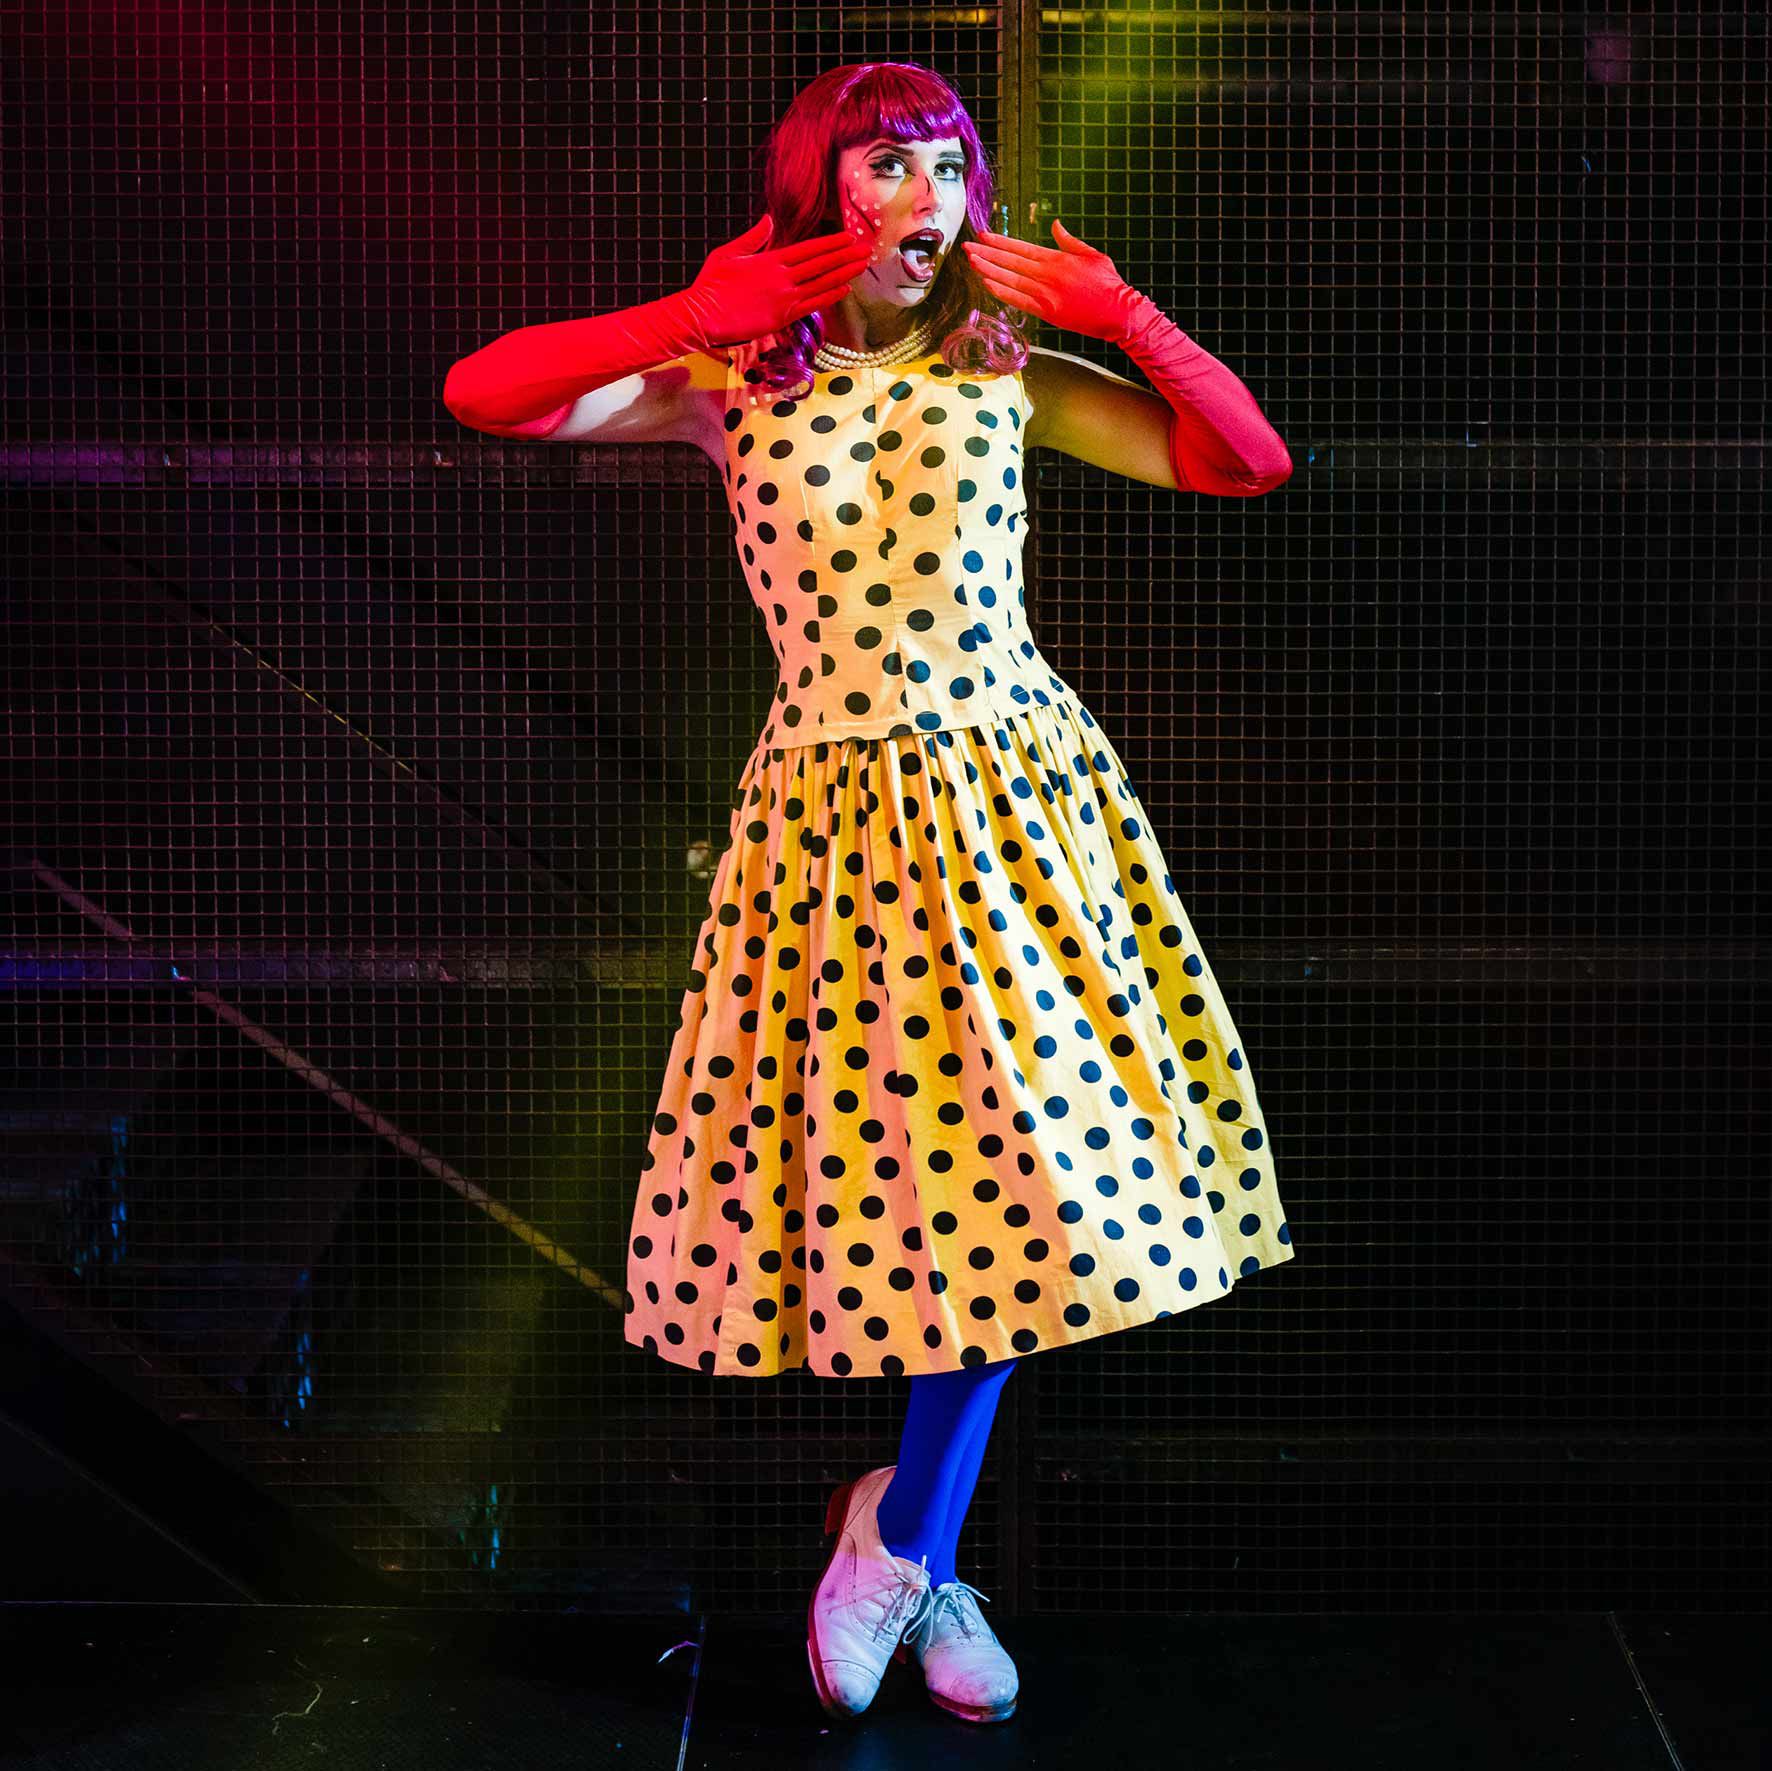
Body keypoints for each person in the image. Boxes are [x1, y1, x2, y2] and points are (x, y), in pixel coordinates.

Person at [445, 59, 1297, 1730]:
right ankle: (916, 1541)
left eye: (947, 168)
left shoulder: (1002, 369)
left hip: (1012, 807)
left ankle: (903, 1543)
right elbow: (486, 391)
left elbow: (1248, 461)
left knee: (1034, 1180)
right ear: (820, 190)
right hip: (834, 825)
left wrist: (1125, 317)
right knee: (906, 1192)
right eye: (887, 165)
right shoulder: (733, 377)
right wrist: (692, 313)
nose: (924, 199)